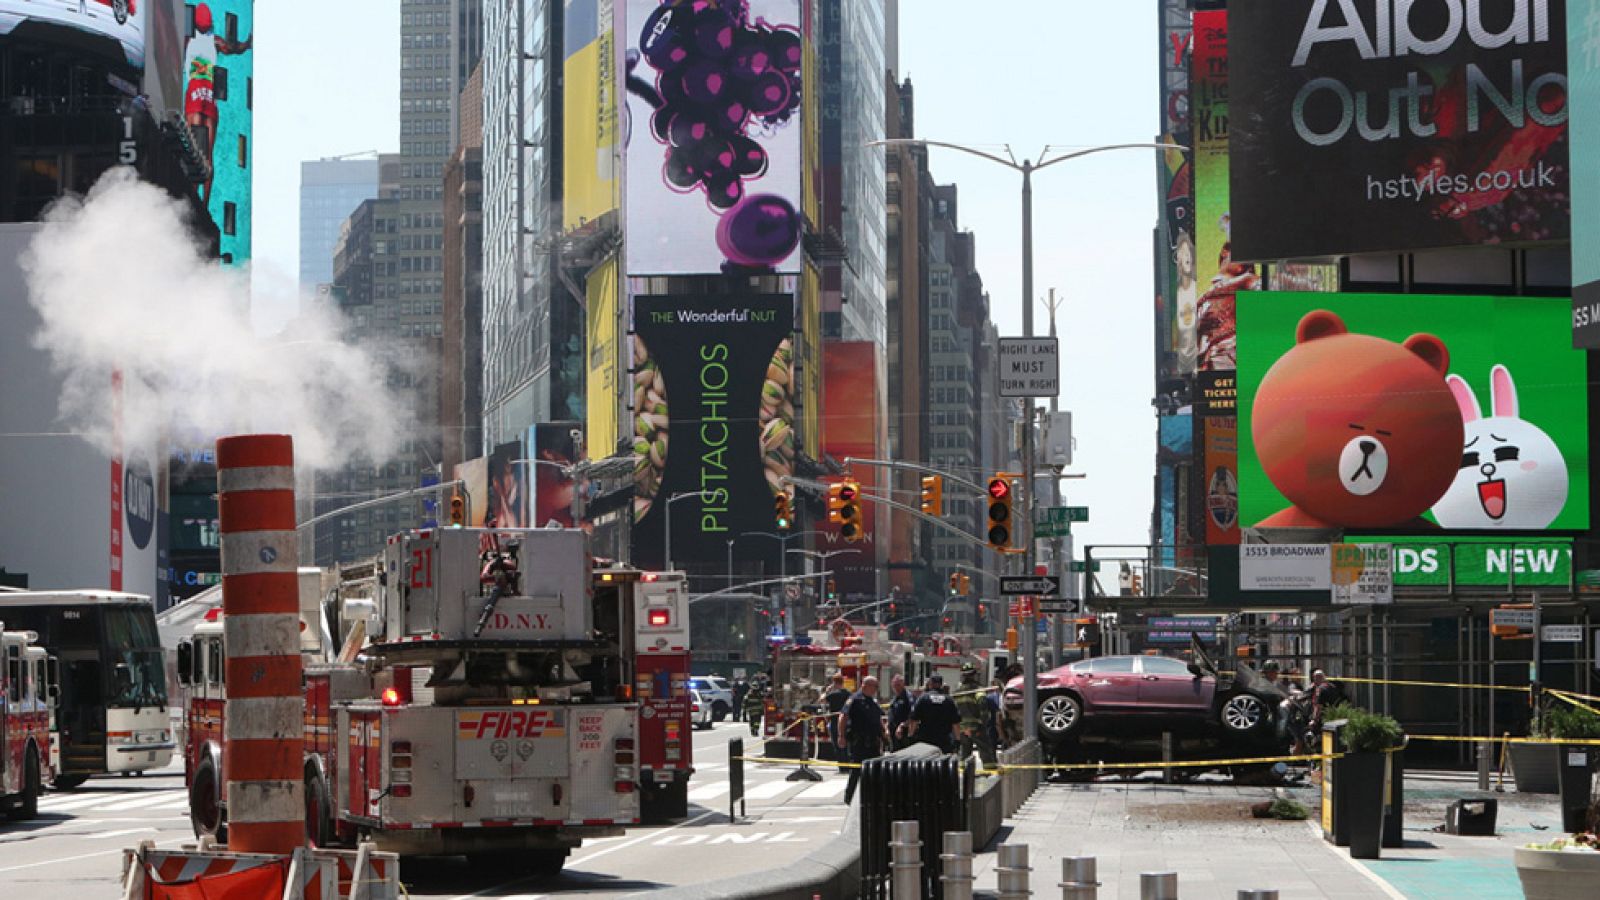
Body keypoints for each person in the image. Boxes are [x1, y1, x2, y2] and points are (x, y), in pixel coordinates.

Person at [182, 4, 252, 204]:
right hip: (209, 98)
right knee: (208, 154)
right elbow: (233, 48)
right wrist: (247, 44)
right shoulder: (215, 41)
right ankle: (204, 202)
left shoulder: (188, 41)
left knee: (193, 151)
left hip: (195, 95)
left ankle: (195, 198)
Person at [840, 676, 888, 804]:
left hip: (873, 741)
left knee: (874, 769)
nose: (876, 689)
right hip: (859, 741)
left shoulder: (873, 701)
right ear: (866, 685)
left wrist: (884, 734)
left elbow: (878, 719)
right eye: (875, 686)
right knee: (856, 770)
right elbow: (843, 717)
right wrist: (841, 736)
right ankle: (849, 797)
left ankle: (873, 797)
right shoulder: (854, 699)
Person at [954, 664, 996, 765]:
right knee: (985, 752)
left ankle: (963, 776)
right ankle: (990, 774)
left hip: (963, 729)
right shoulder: (978, 690)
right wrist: (984, 723)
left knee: (964, 754)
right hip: (977, 727)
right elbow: (983, 705)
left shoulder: (957, 692)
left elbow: (955, 711)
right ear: (974, 675)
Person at [909, 675, 960, 754]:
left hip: (926, 741)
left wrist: (911, 736)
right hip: (944, 741)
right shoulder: (949, 700)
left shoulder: (923, 698)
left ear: (930, 684)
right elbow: (955, 723)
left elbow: (914, 719)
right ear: (941, 684)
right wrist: (957, 740)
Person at [822, 673, 851, 752]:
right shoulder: (849, 694)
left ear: (834, 683)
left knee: (838, 747)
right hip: (847, 722)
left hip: (835, 722)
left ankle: (841, 763)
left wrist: (827, 691)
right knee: (846, 748)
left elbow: (822, 700)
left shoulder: (833, 695)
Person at [887, 674, 914, 750]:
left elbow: (913, 714)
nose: (896, 687)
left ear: (903, 684)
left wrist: (903, 725)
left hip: (903, 733)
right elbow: (891, 714)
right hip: (893, 733)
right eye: (894, 685)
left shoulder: (908, 697)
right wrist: (887, 728)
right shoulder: (895, 698)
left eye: (898, 685)